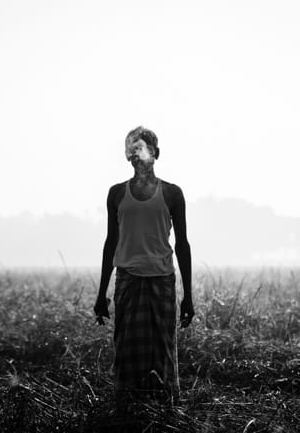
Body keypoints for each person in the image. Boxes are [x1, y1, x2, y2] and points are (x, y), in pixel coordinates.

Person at [94, 126, 194, 408]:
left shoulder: (172, 194)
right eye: (132, 150)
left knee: (162, 351)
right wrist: (102, 294)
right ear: (127, 156)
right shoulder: (116, 194)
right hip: (128, 281)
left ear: (156, 154)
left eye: (142, 149)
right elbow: (110, 242)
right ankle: (128, 409)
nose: (137, 156)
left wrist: (188, 295)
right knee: (127, 350)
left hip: (162, 282)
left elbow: (182, 245)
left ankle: (163, 410)